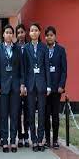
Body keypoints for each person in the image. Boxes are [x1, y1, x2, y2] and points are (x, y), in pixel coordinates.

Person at [0, 25, 25, 153]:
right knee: (3, 115)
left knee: (14, 114)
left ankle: (13, 140)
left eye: (10, 33)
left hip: (16, 86)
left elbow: (22, 68)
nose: (8, 35)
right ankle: (5, 141)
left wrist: (22, 84)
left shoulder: (17, 49)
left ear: (12, 35)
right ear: (3, 35)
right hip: (3, 87)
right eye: (6, 32)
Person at [23, 23, 51, 152]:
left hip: (41, 84)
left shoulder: (44, 48)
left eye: (36, 30)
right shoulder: (26, 48)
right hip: (29, 84)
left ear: (39, 33)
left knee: (41, 113)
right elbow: (24, 68)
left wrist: (49, 85)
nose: (33, 32)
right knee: (30, 113)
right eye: (31, 31)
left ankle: (40, 139)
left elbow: (46, 67)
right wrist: (23, 84)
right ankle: (33, 140)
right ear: (29, 34)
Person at [44, 26, 67, 149]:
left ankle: (56, 140)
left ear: (55, 36)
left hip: (57, 89)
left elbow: (64, 70)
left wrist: (61, 85)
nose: (49, 37)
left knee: (55, 116)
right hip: (45, 90)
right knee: (46, 115)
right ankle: (47, 140)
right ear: (45, 37)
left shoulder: (61, 50)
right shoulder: (43, 49)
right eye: (47, 35)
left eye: (51, 35)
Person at [15, 24, 30, 148]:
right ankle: (20, 136)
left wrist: (26, 84)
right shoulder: (14, 48)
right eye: (18, 32)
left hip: (30, 84)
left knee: (28, 111)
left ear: (25, 33)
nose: (20, 34)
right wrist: (21, 84)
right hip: (18, 85)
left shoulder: (30, 47)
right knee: (18, 111)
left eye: (22, 32)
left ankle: (27, 137)